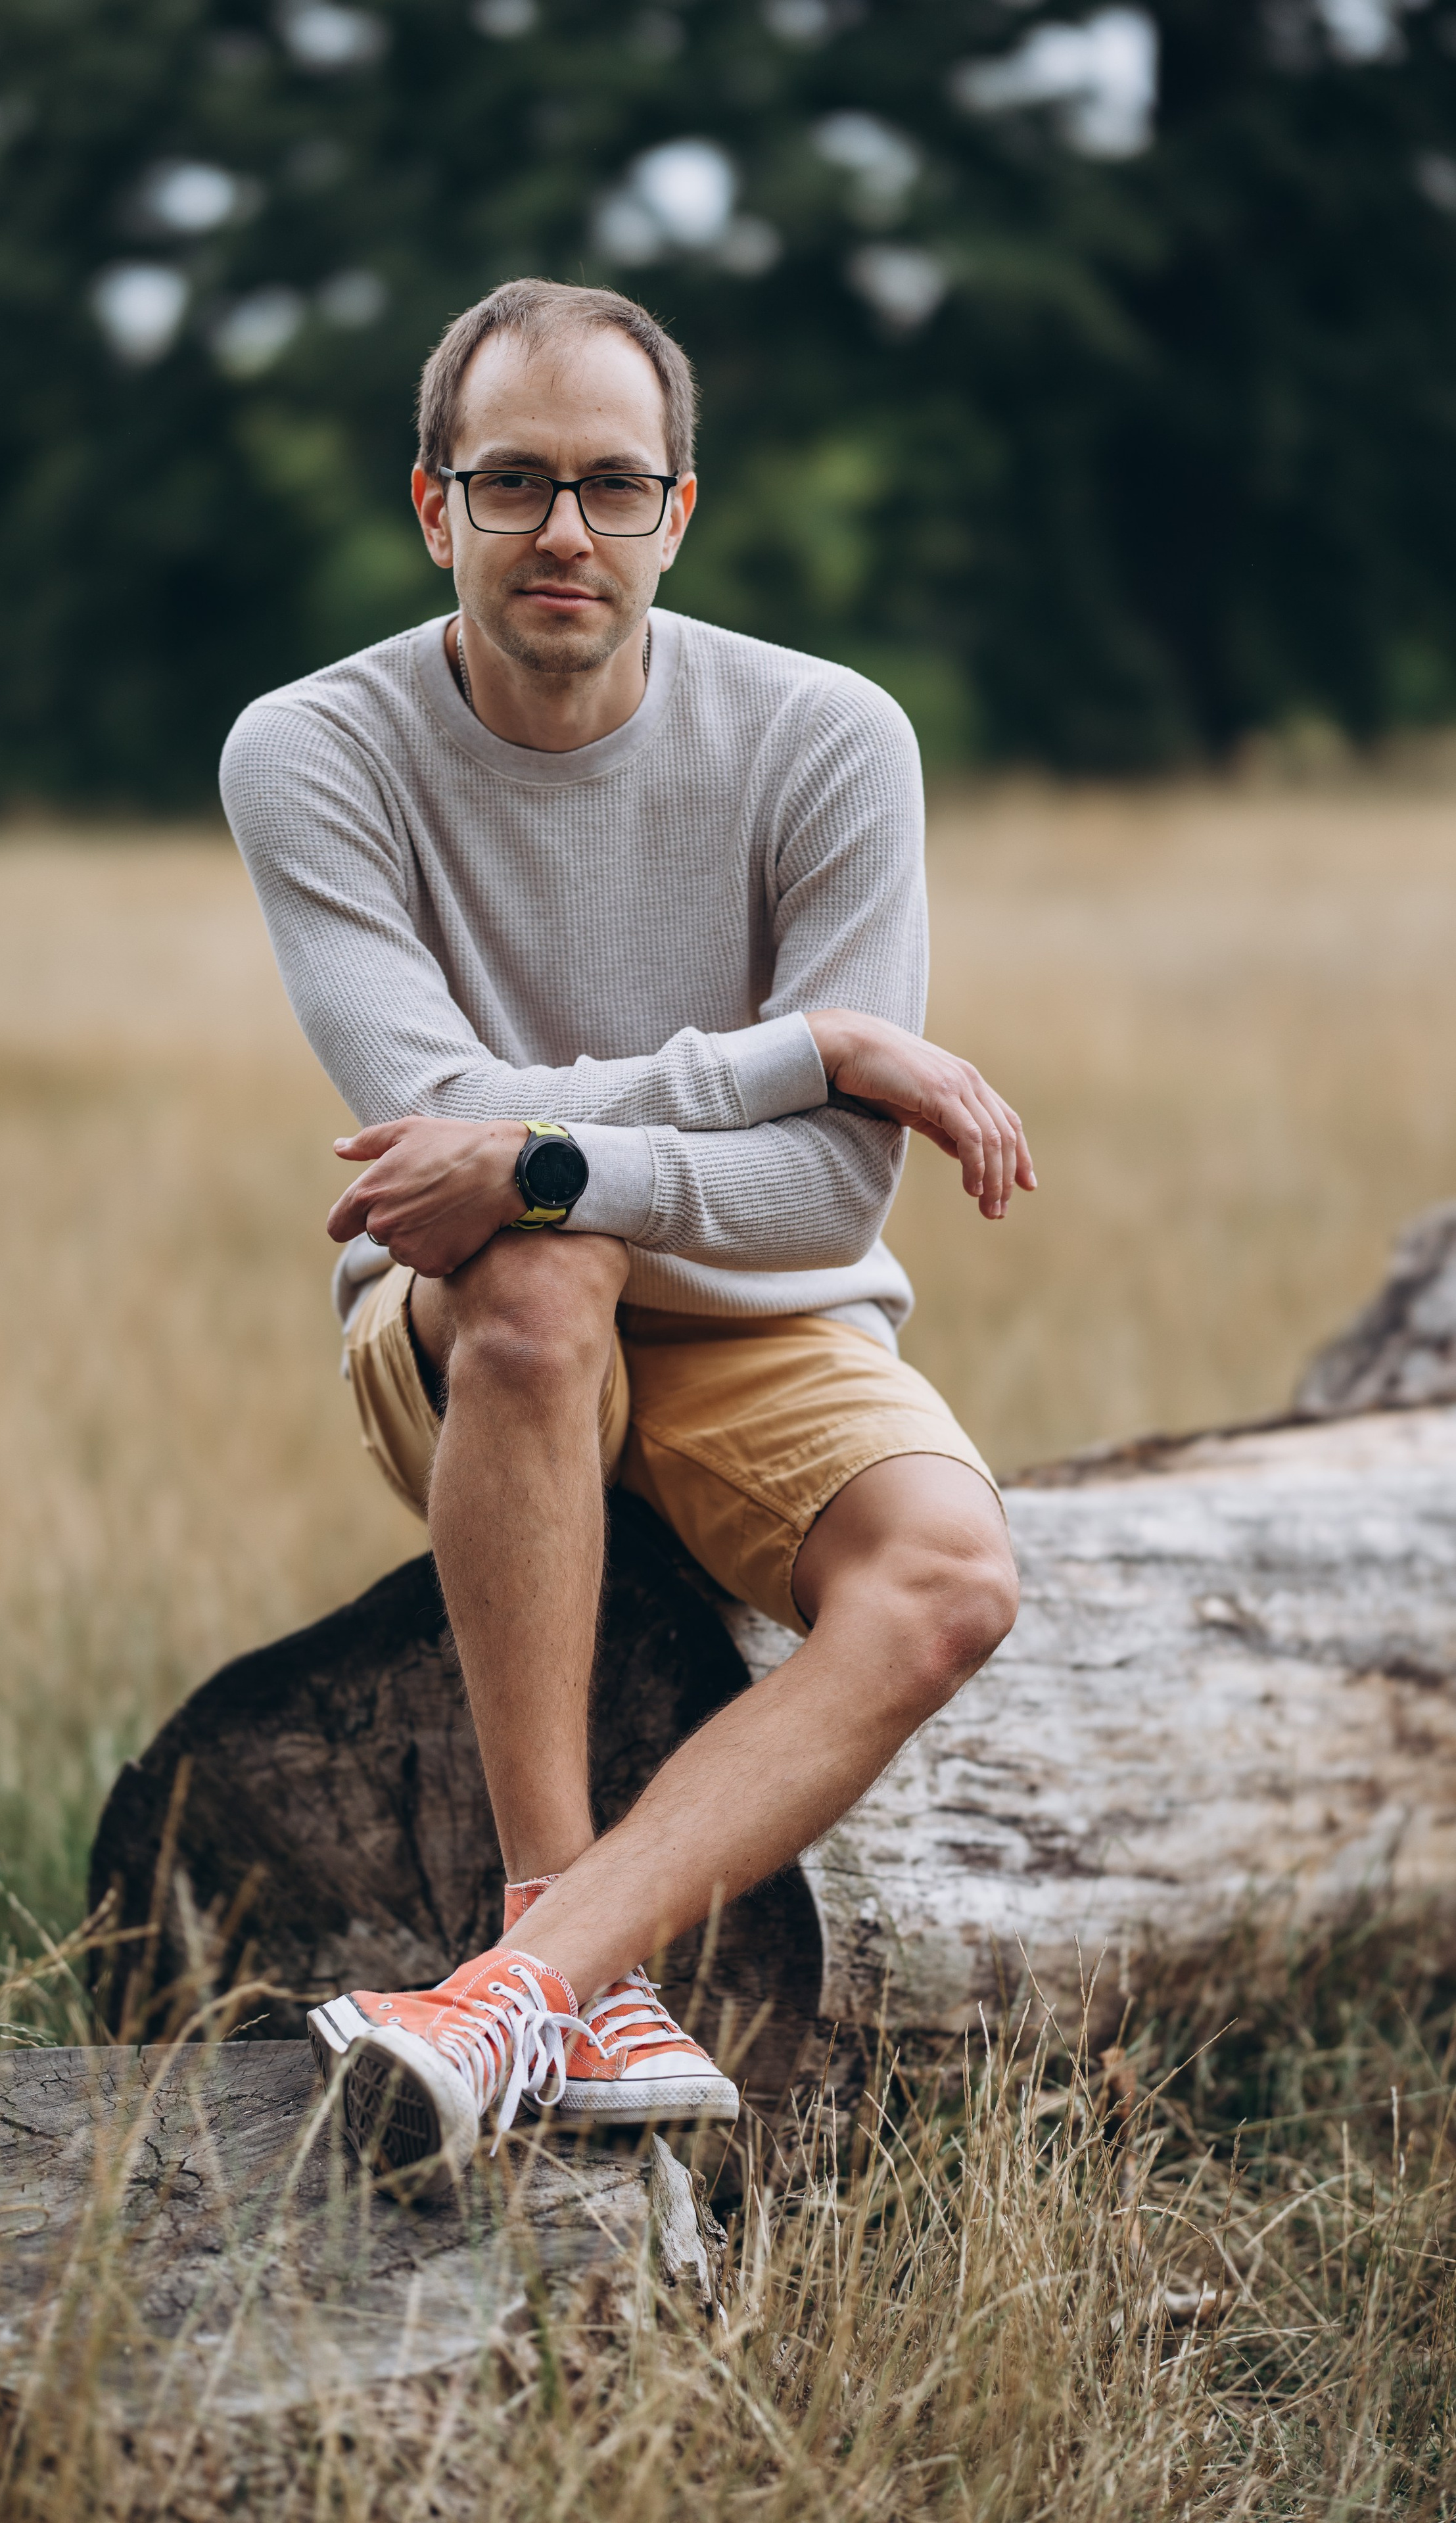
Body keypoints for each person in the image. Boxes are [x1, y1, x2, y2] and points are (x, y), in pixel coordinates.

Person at [221, 277, 1033, 2198]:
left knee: (951, 1582)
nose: (564, 532)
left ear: (683, 507)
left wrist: (556, 1156)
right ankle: (543, 1896)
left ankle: (522, 1990)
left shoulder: (831, 738)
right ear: (435, 509)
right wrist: (805, 1049)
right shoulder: (313, 749)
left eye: (610, 484)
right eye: (513, 484)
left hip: (766, 1309)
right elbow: (443, 1146)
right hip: (472, 1322)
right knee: (531, 1268)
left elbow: (830, 1195)